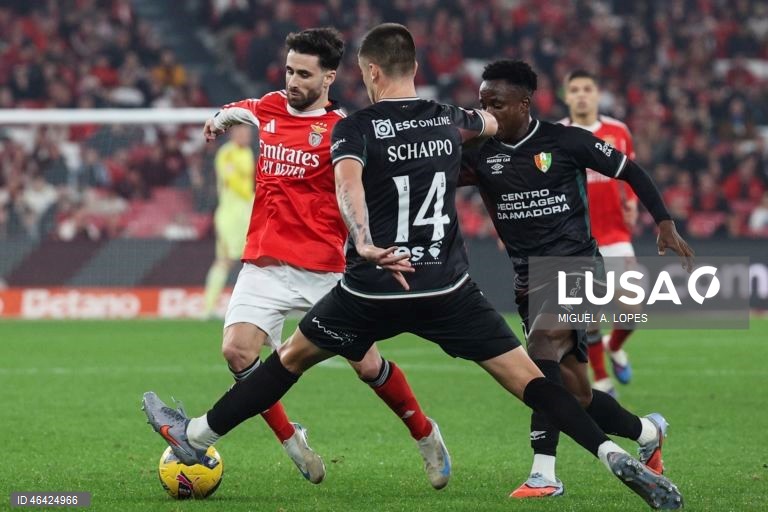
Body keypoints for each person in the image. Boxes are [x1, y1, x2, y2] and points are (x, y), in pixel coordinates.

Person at [143, 24, 683, 509]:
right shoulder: (451, 120)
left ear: (370, 72)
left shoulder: (354, 129)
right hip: (447, 287)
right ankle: (611, 453)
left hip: (373, 287)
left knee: (288, 360)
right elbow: (498, 121)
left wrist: (365, 241)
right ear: (415, 70)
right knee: (531, 381)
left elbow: (347, 184)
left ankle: (196, 435)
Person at [148, 27, 450, 489]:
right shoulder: (269, 107)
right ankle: (293, 441)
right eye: (289, 70)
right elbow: (238, 110)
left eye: (304, 74)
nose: (293, 80)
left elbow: (363, 192)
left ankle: (426, 435)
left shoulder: (342, 130)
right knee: (237, 351)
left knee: (368, 364)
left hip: (325, 271)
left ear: (328, 77)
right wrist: (217, 120)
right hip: (265, 264)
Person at [459, 59, 694, 499]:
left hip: (579, 267)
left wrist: (663, 222)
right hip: (528, 279)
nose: (487, 111)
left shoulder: (565, 141)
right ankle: (646, 432)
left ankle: (543, 474)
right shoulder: (480, 154)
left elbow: (631, 171)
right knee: (577, 394)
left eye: (497, 103)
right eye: (482, 103)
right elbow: (429, 178)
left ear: (524, 104)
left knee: (540, 350)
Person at [560, 69, 640, 394]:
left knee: (633, 310)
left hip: (616, 234)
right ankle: (602, 378)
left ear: (597, 94)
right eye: (575, 89)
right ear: (567, 96)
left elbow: (630, 172)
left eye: (587, 89)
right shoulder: (556, 134)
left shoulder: (618, 131)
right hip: (576, 239)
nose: (581, 94)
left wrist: (632, 201)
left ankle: (614, 345)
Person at [203, 124, 254, 318]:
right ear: (233, 133)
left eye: (248, 133)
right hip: (231, 216)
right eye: (242, 132)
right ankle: (207, 308)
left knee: (255, 260)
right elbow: (232, 181)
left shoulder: (247, 152)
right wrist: (253, 198)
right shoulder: (227, 153)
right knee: (225, 260)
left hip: (247, 214)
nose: (246, 136)